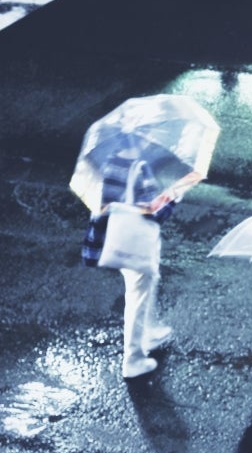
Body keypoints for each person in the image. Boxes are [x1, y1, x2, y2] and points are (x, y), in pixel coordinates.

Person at [82, 151, 191, 379]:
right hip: (135, 245)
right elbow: (154, 213)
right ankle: (133, 360)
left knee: (145, 285)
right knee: (138, 296)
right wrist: (176, 193)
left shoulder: (108, 161)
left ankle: (149, 331)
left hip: (114, 238)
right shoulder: (139, 167)